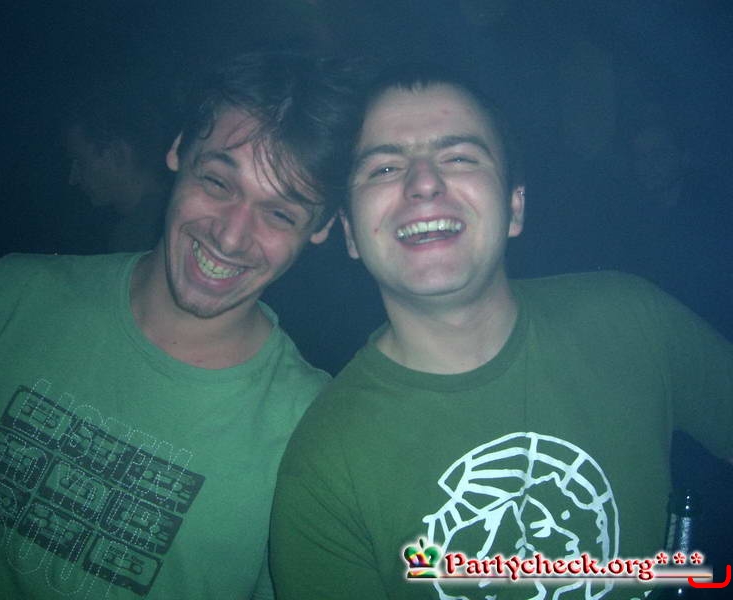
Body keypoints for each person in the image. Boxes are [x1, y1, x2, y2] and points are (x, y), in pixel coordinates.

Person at [270, 62, 733, 600]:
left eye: (459, 157)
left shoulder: (633, 320)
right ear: (350, 233)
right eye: (385, 168)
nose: (424, 183)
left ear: (514, 206)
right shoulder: (324, 466)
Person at [0, 50, 360, 599]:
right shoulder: (9, 295)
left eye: (280, 213)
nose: (231, 236)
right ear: (177, 150)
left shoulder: (316, 432)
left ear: (320, 228)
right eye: (218, 182)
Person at [63, 72, 177, 253]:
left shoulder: (137, 234)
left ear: (118, 153)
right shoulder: (167, 218)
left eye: (80, 161)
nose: (73, 178)